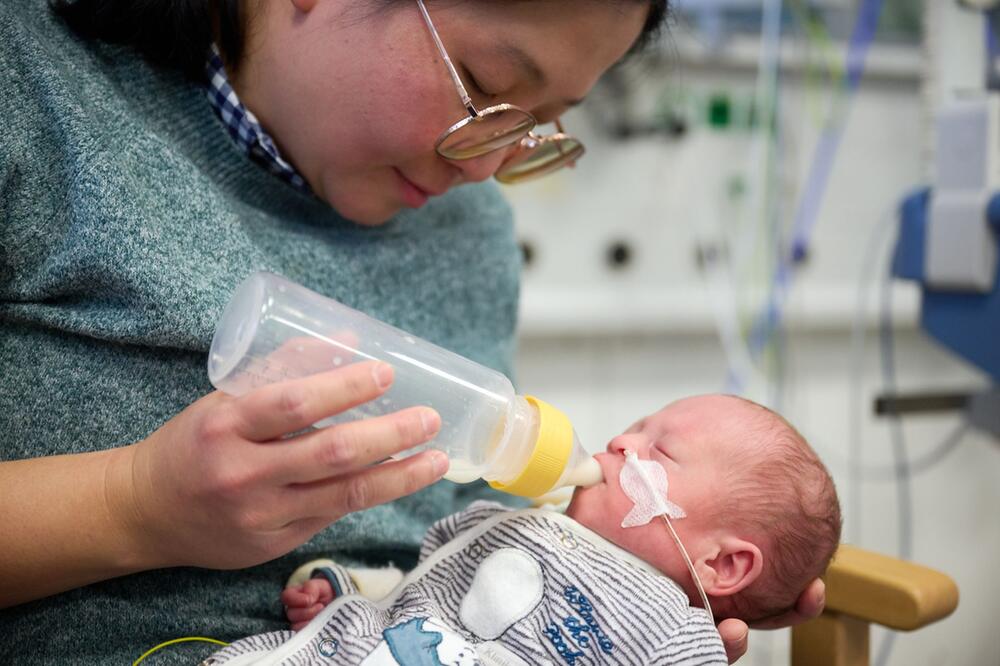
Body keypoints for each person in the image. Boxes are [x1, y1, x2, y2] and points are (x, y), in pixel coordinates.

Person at [0, 0, 823, 662]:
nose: (485, 169)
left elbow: (450, 513)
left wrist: (618, 588)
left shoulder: (469, 233)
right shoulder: (30, 93)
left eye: (533, 124)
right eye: (484, 84)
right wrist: (134, 505)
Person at [203, 395, 840, 665]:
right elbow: (420, 586)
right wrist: (343, 590)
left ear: (723, 565)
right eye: (635, 425)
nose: (621, 440)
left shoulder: (675, 632)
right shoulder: (512, 523)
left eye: (658, 451)